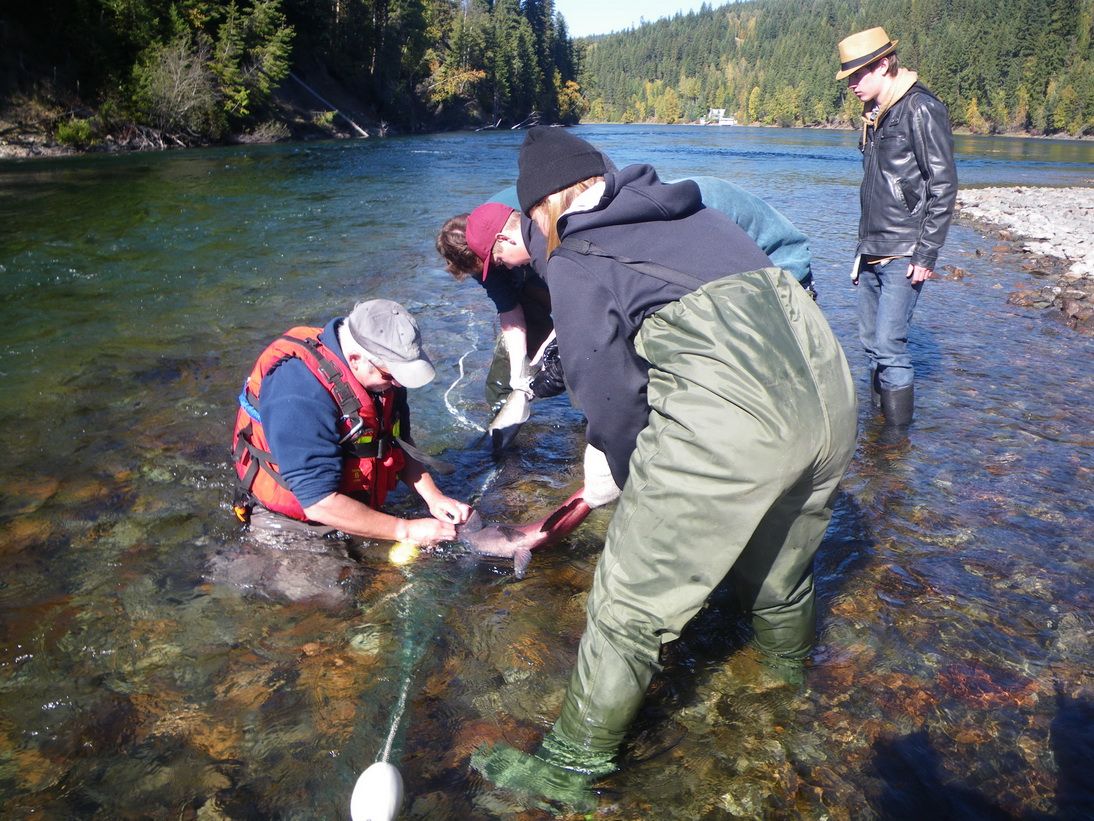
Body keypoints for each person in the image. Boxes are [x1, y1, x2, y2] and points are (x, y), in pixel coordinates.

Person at [472, 127, 858, 799]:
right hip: (830, 396)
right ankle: (788, 691)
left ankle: (567, 772)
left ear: (538, 209)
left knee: (625, 606)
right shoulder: (693, 209)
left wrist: (628, 481)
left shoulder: (575, 255)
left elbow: (610, 397)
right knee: (779, 578)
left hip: (739, 420)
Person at [436, 176, 817, 417]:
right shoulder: (493, 245)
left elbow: (599, 303)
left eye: (497, 260)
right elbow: (512, 314)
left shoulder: (563, 223)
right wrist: (523, 373)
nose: (496, 269)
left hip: (771, 270)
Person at [230, 299, 471, 545]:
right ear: (355, 359)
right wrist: (404, 530)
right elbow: (318, 503)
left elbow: (398, 442)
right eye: (391, 374)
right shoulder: (298, 393)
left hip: (347, 500)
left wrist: (434, 497)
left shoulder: (384, 376)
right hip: (292, 521)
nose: (399, 384)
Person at [837, 26, 957, 425]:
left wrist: (927, 254)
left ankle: (895, 443)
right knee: (871, 345)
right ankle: (878, 432)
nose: (852, 84)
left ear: (884, 64)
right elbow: (875, 191)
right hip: (873, 249)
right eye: (849, 77)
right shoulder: (875, 116)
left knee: (889, 345)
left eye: (858, 75)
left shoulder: (920, 108)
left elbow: (943, 185)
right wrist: (861, 252)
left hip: (905, 252)